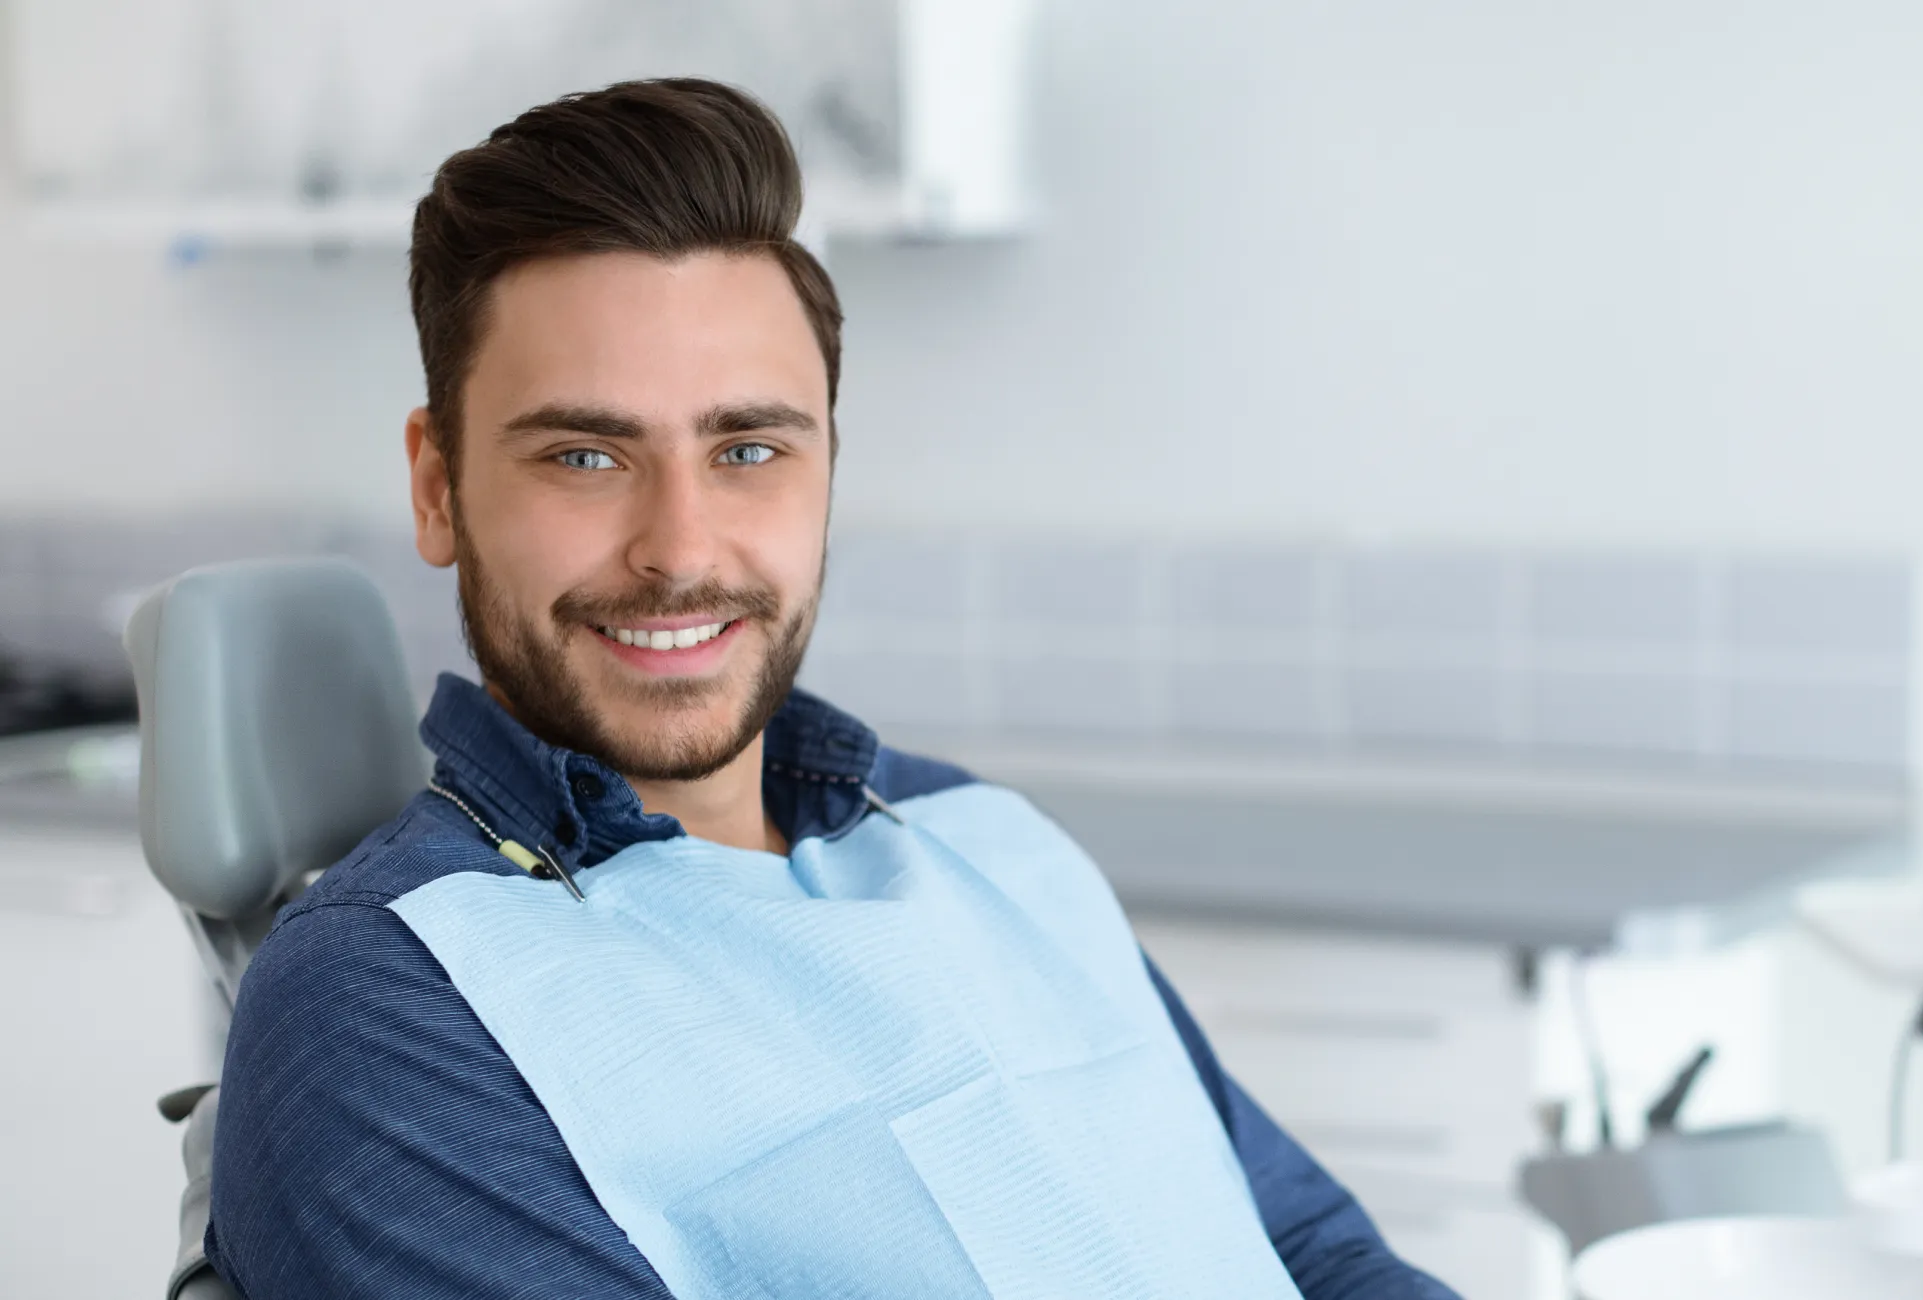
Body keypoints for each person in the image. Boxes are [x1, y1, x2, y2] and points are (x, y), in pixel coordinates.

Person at [206, 78, 1457, 1300]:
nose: (682, 550)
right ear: (438, 488)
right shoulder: (387, 1002)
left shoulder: (979, 839)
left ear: (826, 470)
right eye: (584, 455)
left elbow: (1319, 1254)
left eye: (747, 449)